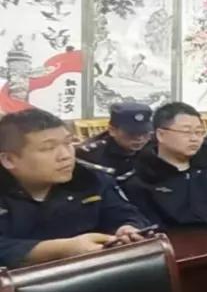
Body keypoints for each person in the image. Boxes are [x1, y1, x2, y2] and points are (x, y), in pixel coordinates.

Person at [0, 108, 150, 268]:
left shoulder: (90, 179)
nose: (65, 155)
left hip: (97, 273)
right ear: (9, 160)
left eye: (68, 143)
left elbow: (126, 214)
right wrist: (62, 249)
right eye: (48, 148)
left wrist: (127, 229)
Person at [76, 101, 153, 182]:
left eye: (145, 132)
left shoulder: (153, 149)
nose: (139, 138)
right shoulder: (91, 156)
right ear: (112, 130)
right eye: (132, 133)